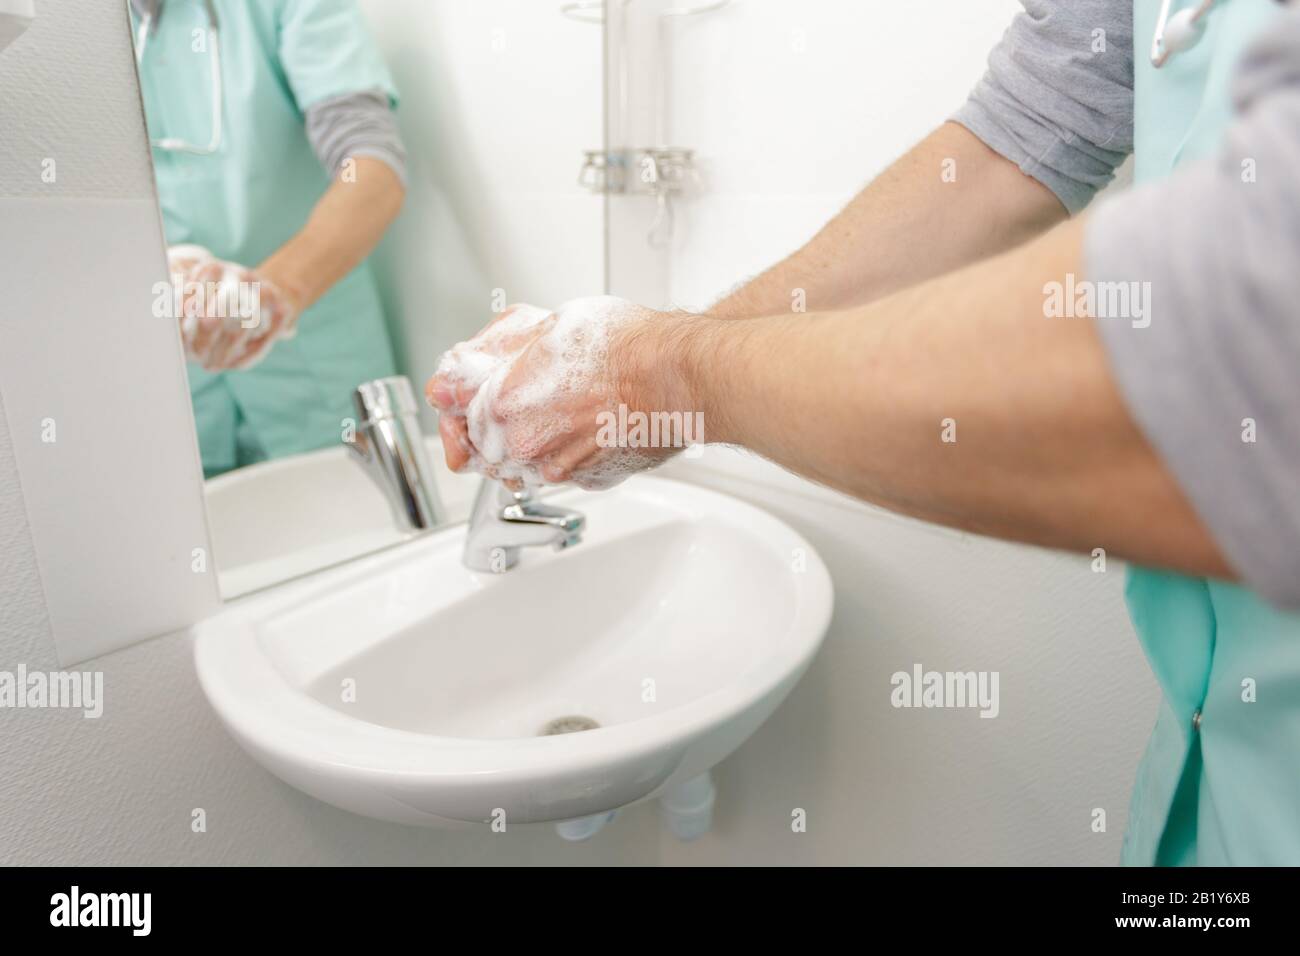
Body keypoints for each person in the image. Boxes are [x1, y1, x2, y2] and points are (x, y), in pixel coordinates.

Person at [428, 0, 1300, 865]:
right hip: (1206, 786)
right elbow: (1022, 139)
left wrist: (669, 373)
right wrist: (651, 375)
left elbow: (1242, 353)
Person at [131, 0, 407, 476]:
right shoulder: (56, 28)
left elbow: (372, 167)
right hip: (161, 384)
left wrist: (273, 293)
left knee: (354, 531)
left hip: (314, 365)